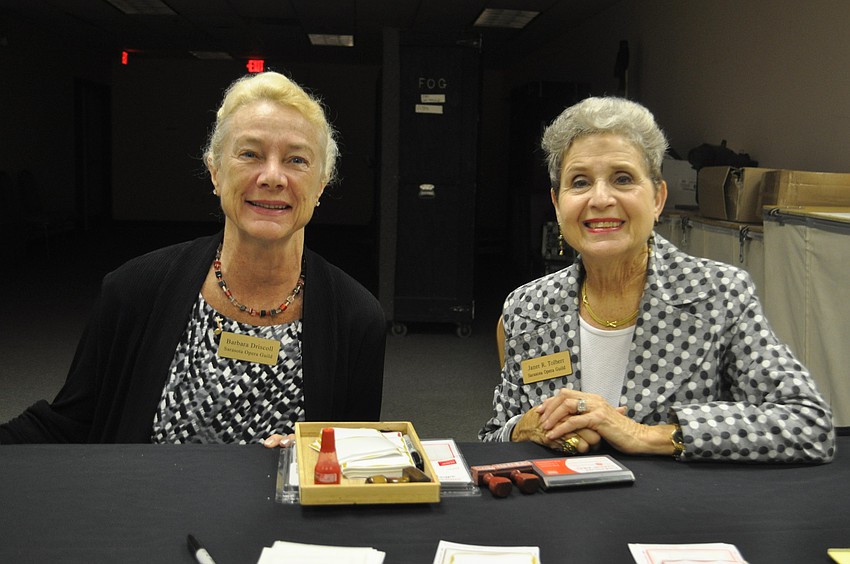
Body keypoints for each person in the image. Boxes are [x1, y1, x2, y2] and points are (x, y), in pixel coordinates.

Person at [0, 71, 386, 445]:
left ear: (321, 184)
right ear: (215, 171)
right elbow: (67, 426)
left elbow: (353, 464)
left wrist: (312, 459)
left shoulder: (355, 318)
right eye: (250, 154)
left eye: (296, 160)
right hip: (151, 511)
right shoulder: (134, 292)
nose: (272, 176)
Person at [480, 97, 835, 463]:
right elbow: (491, 441)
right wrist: (525, 428)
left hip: (680, 515)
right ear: (557, 204)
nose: (600, 198)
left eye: (622, 178)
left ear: (658, 198)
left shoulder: (720, 295)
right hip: (557, 513)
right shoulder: (527, 308)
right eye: (580, 182)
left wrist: (647, 436)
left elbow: (808, 424)